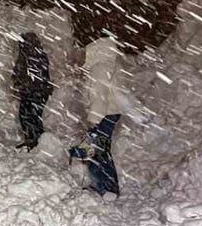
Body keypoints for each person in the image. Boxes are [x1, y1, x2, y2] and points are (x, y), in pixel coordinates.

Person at [68, 34, 138, 197]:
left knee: (98, 149)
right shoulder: (110, 62)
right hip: (110, 112)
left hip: (104, 113)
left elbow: (99, 95)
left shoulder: (100, 66)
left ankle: (106, 187)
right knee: (99, 147)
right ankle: (106, 186)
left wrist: (94, 119)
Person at [11, 32, 53, 151]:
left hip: (36, 91)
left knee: (31, 117)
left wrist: (24, 82)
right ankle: (32, 140)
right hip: (32, 91)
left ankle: (35, 142)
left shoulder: (35, 55)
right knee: (27, 116)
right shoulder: (29, 54)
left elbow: (37, 75)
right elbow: (20, 71)